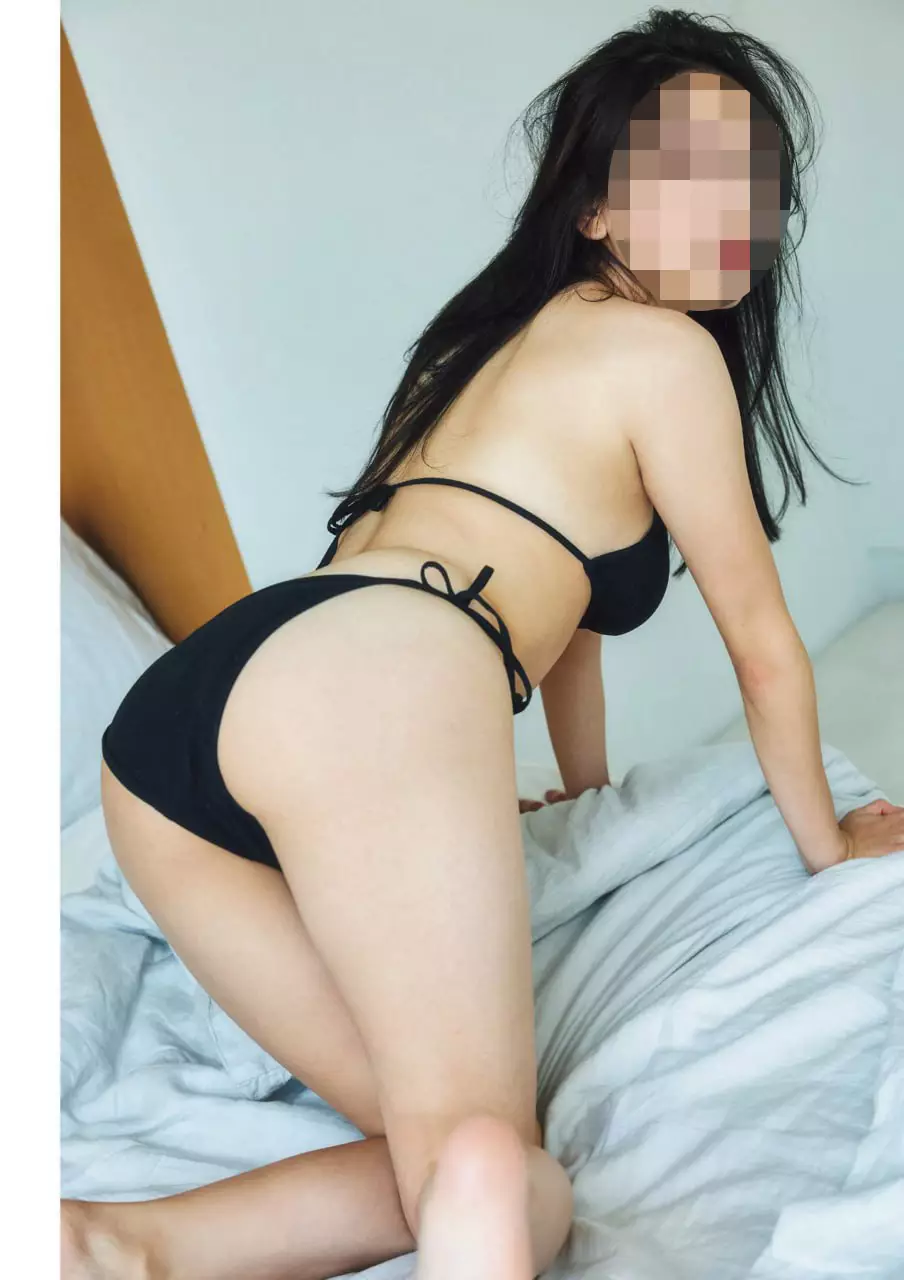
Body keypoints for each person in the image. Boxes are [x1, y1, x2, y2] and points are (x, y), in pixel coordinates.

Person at [61, 8, 904, 1280]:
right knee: (488, 1157)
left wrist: (583, 789)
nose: (736, 204)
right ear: (596, 209)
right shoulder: (665, 350)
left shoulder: (476, 350)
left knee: (454, 1158)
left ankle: (116, 1244)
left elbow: (564, 624)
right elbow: (762, 645)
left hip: (177, 733)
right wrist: (830, 847)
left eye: (753, 174)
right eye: (689, 171)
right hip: (371, 680)